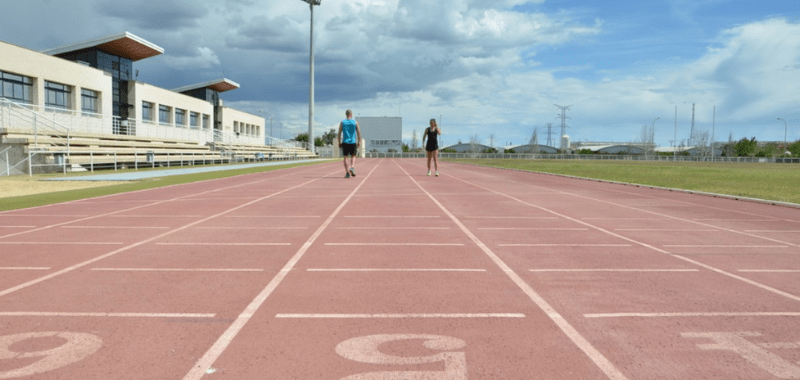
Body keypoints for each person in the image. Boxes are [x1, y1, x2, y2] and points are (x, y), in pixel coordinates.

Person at [337, 109, 362, 178]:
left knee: (345, 156)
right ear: (351, 114)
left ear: (346, 114)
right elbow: (358, 132)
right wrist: (359, 141)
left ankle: (347, 172)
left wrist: (339, 142)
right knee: (353, 155)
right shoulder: (355, 122)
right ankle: (352, 167)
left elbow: (339, 133)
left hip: (345, 142)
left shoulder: (342, 123)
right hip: (352, 142)